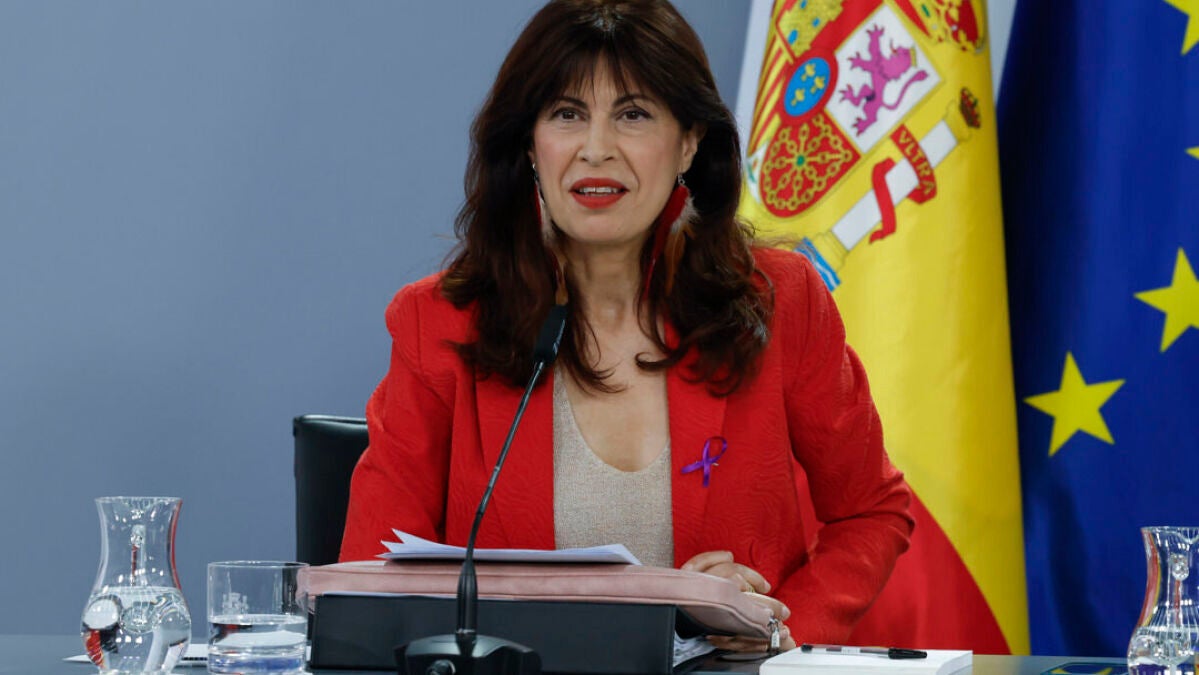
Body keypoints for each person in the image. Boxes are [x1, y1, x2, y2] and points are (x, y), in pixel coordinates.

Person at [340, 0, 913, 650]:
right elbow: (369, 581)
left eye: (633, 114)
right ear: (529, 143)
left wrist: (778, 626)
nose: (596, 149)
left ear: (689, 141)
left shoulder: (778, 301)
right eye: (566, 114)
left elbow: (870, 511)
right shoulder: (441, 322)